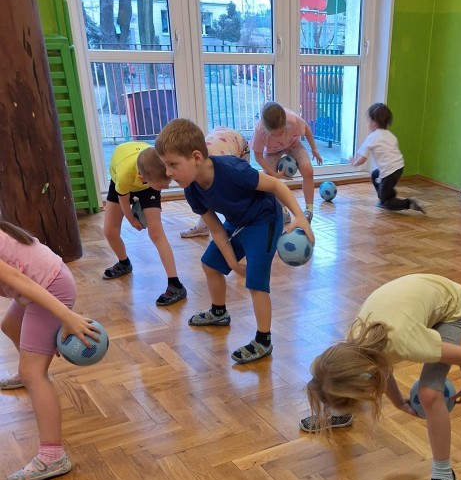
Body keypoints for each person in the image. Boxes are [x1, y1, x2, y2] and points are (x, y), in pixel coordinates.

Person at [301, 273, 461, 480]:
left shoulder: (404, 342)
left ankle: (443, 474)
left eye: (356, 400)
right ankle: (341, 412)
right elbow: (379, 367)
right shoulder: (355, 345)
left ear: (367, 377)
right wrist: (397, 402)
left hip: (450, 306)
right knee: (332, 379)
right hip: (410, 299)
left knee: (429, 393)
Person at [155, 117, 314, 363]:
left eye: (173, 164)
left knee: (256, 283)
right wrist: (232, 263)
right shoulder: (191, 190)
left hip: (264, 220)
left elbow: (275, 185)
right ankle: (219, 313)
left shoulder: (232, 170)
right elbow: (216, 230)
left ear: (196, 157)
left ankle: (263, 341)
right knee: (210, 264)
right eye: (165, 165)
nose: (168, 173)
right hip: (237, 222)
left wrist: (300, 216)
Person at [0, 219, 102, 480]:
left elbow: (18, 279)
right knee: (9, 325)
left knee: (33, 373)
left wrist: (66, 316)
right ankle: (30, 367)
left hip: (50, 288)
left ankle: (53, 456)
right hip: (44, 281)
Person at [102, 141, 188, 307]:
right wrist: (132, 220)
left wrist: (155, 201)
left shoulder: (157, 169)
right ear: (143, 179)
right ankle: (124, 263)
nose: (167, 187)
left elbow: (159, 181)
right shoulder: (125, 176)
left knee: (156, 233)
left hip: (149, 181)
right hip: (123, 180)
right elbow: (124, 201)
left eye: (168, 181)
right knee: (109, 231)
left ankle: (175, 284)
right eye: (163, 185)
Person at [250, 102, 322, 223]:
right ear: (266, 129)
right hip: (272, 151)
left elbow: (307, 130)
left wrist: (314, 149)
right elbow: (258, 157)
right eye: (274, 134)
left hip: (293, 144)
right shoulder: (260, 129)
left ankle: (309, 210)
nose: (278, 135)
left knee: (308, 171)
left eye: (282, 131)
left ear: (285, 124)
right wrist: (274, 174)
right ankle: (283, 212)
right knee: (269, 180)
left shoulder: (292, 120)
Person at [351, 102, 426, 214]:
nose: (368, 124)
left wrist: (354, 163)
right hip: (399, 167)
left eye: (369, 121)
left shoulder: (372, 137)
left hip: (389, 171)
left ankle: (408, 203)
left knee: (387, 202)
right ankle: (385, 195)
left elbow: (362, 159)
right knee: (375, 175)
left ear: (374, 122)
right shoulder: (391, 135)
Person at [180, 127, 251, 238]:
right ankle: (203, 227)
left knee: (239, 189)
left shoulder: (224, 167)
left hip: (239, 144)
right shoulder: (197, 166)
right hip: (221, 139)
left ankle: (243, 223)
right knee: (206, 192)